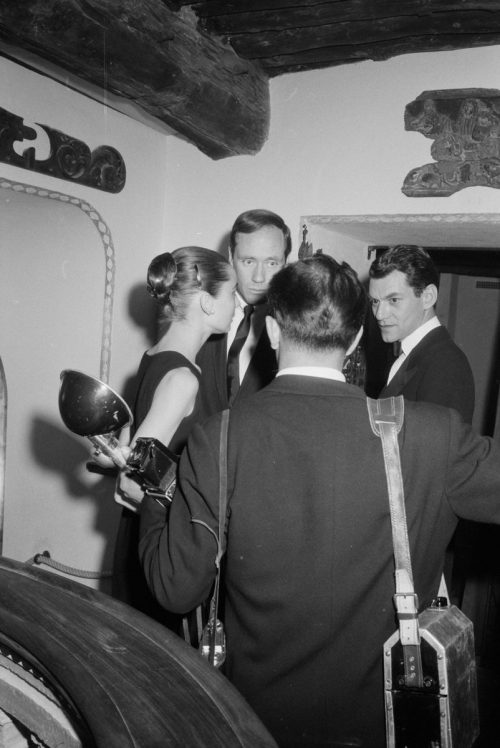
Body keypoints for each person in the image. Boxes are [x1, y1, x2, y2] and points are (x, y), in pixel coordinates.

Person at [138, 254, 500, 747]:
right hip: (386, 722)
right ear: (354, 340)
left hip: (256, 720)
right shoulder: (434, 435)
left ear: (271, 330)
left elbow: (175, 587)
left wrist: (156, 492)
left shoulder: (218, 437)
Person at [111, 246, 236, 626]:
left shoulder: (154, 358)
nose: (235, 303)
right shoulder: (182, 378)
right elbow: (131, 484)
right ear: (207, 303)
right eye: (231, 293)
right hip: (159, 557)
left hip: (148, 547)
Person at [195, 208, 291, 419]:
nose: (259, 277)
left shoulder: (294, 327)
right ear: (231, 257)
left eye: (271, 263)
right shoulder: (199, 312)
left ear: (285, 264)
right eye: (248, 261)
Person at [368, 244, 475, 423]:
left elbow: (436, 448)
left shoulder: (445, 364)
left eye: (393, 300)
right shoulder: (415, 354)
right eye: (375, 301)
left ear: (428, 297)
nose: (379, 314)